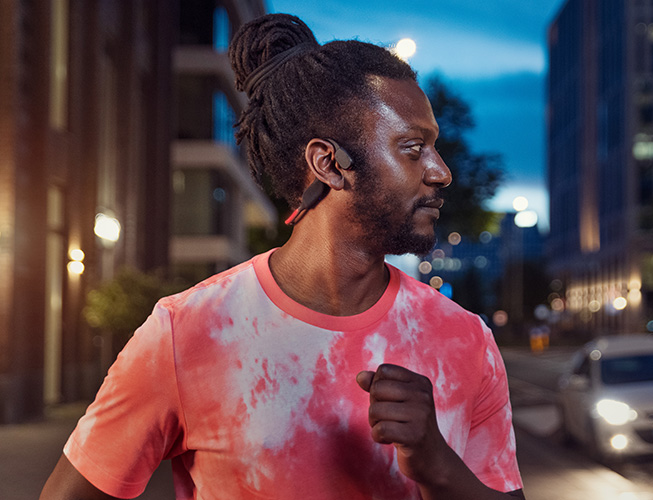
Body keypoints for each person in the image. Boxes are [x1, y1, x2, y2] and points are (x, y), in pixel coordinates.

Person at [41, 13, 523, 500]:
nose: (442, 172)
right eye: (413, 148)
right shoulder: (189, 330)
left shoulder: (466, 340)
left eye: (434, 148)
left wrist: (437, 466)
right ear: (329, 164)